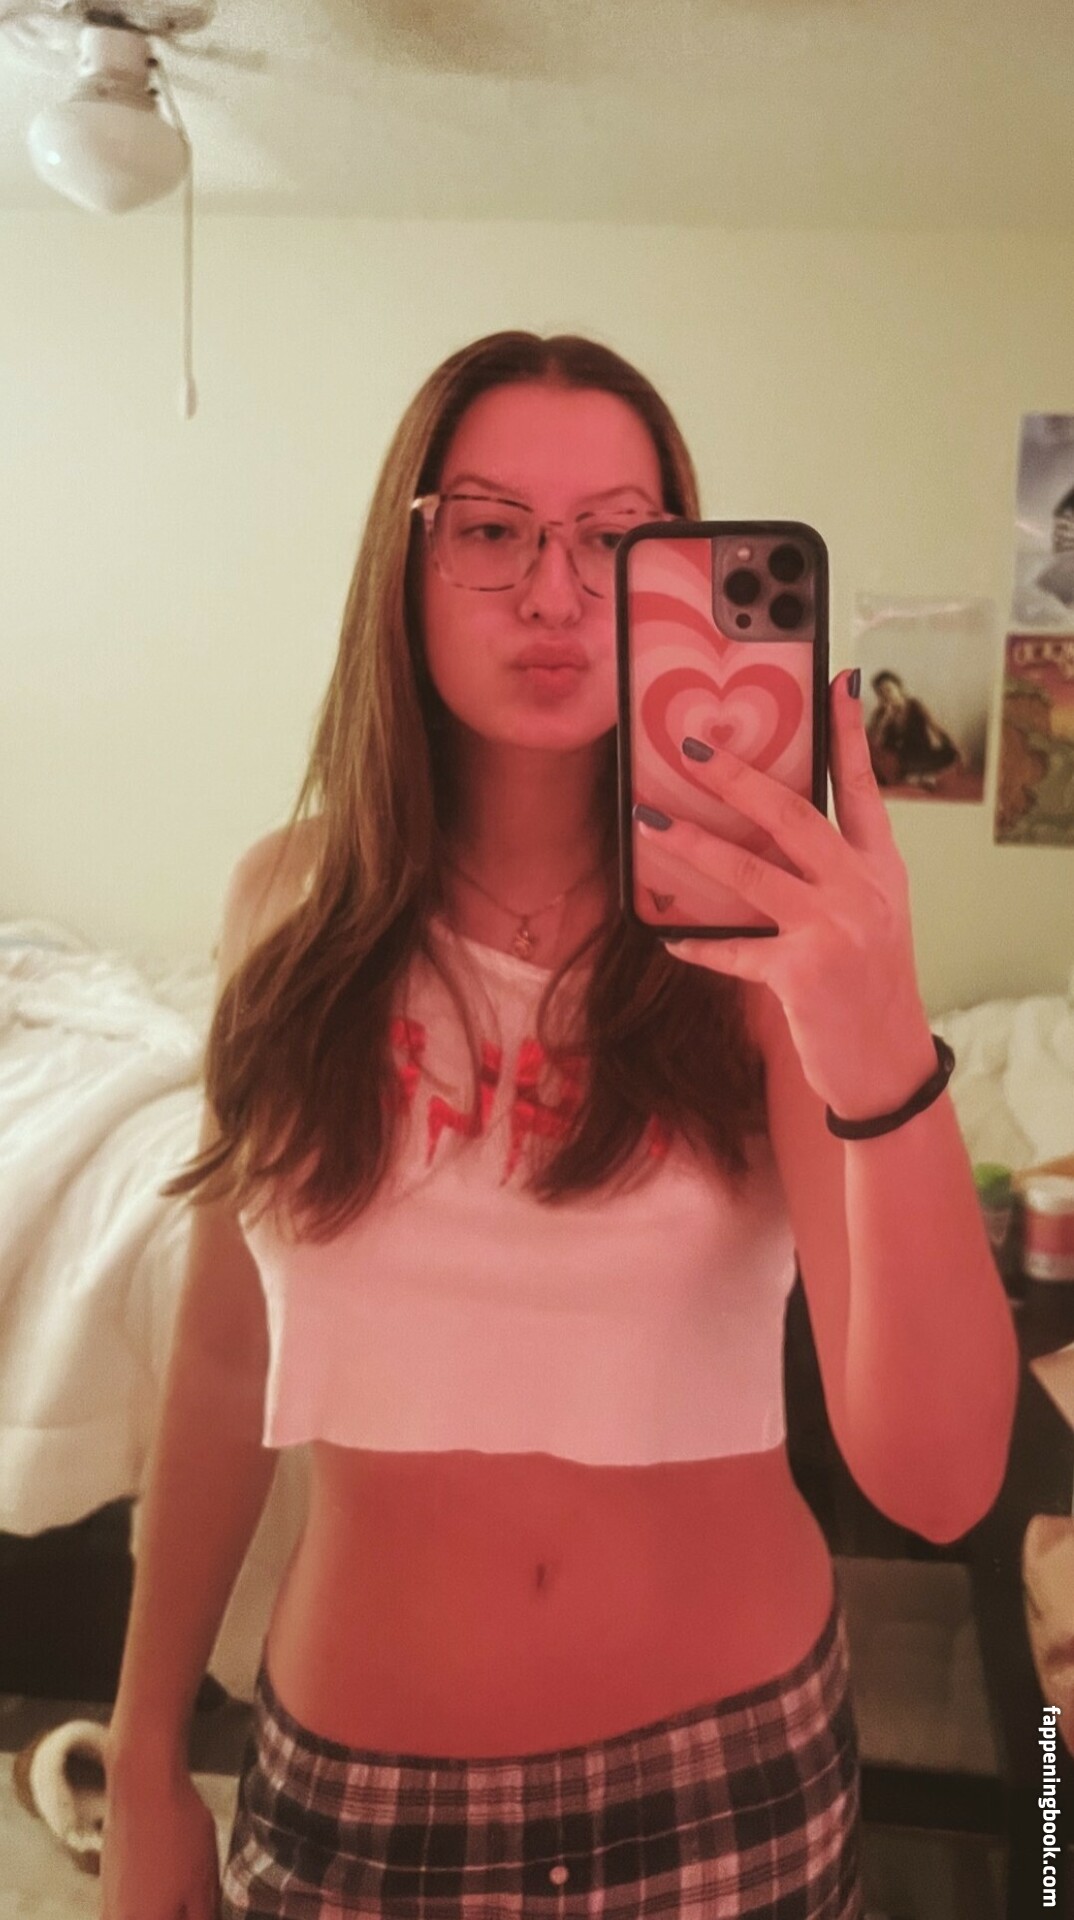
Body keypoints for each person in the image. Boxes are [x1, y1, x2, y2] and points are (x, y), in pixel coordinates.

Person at [101, 331, 1018, 1920]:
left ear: (680, 568)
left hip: (731, 1788)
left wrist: (876, 1033)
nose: (553, 589)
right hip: (358, 1809)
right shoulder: (285, 909)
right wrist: (137, 1751)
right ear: (405, 563)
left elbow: (938, 1484)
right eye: (490, 527)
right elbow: (225, 1355)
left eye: (614, 536)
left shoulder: (758, 948)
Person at [865, 670, 962, 791]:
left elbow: (936, 728)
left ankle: (914, 777)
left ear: (899, 689)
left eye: (889, 690)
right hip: (897, 758)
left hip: (920, 754)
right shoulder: (881, 712)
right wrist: (885, 719)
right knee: (877, 760)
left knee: (951, 753)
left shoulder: (915, 705)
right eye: (881, 693)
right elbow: (874, 741)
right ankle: (919, 777)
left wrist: (957, 747)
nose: (886, 695)